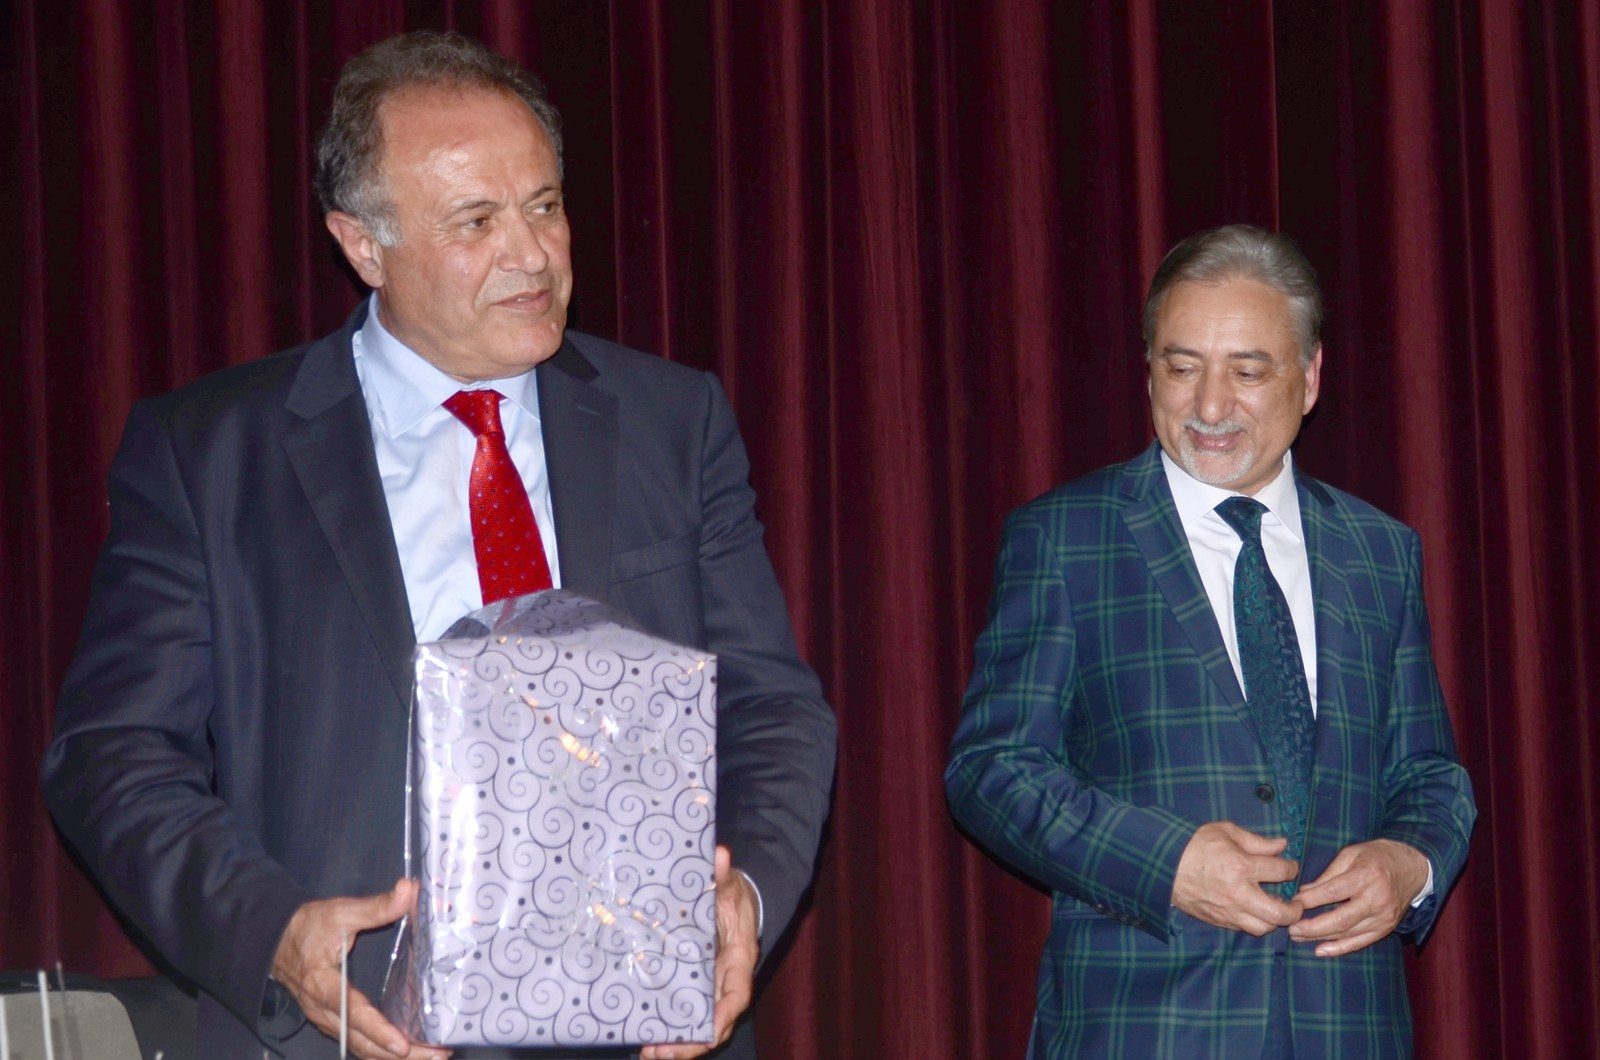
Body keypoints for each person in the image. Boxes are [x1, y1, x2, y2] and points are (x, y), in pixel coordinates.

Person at [43, 31, 835, 1060]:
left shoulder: (672, 424)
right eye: (476, 221)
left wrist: (747, 895)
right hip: (347, 1029)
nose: (532, 254)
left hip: (644, 1026)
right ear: (363, 246)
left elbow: (772, 709)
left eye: (544, 206)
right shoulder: (212, 454)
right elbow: (112, 753)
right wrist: (271, 935)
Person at [945, 224, 1475, 1057]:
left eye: (1248, 371)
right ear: (1149, 371)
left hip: (1348, 1029)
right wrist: (1168, 865)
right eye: (1182, 367)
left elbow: (1429, 775)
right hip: (1142, 1030)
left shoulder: (1381, 552)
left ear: (1310, 377)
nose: (1211, 407)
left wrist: (1411, 862)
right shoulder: (1065, 538)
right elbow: (991, 770)